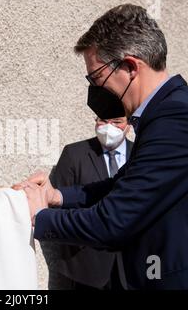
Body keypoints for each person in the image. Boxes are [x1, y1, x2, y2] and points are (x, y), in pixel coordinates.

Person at [14, 4, 188, 289]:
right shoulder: (168, 111)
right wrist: (56, 196)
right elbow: (123, 185)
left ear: (130, 67)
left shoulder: (177, 117)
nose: (94, 90)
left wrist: (39, 217)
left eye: (96, 78)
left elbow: (113, 221)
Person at [42, 116, 132, 290]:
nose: (109, 127)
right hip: (86, 267)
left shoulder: (140, 154)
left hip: (132, 264)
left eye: (117, 122)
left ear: (128, 124)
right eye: (103, 120)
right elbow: (60, 208)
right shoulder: (74, 154)